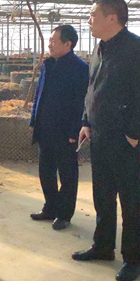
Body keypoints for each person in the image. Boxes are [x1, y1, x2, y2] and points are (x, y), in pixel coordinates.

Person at [73, 0, 140, 281]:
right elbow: (92, 89)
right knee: (102, 195)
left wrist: (133, 135)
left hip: (123, 139)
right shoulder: (99, 49)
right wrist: (86, 121)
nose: (89, 20)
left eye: (93, 15)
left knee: (129, 199)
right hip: (99, 134)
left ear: (112, 18)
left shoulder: (137, 50)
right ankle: (103, 246)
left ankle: (133, 259)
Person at [29, 25, 89, 231]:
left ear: (68, 44)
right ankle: (50, 207)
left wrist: (75, 131)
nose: (50, 44)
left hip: (65, 132)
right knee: (46, 171)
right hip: (45, 128)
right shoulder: (48, 65)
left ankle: (64, 214)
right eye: (50, 40)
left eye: (54, 40)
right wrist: (34, 119)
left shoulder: (79, 69)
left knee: (67, 174)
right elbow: (39, 93)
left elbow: (81, 103)